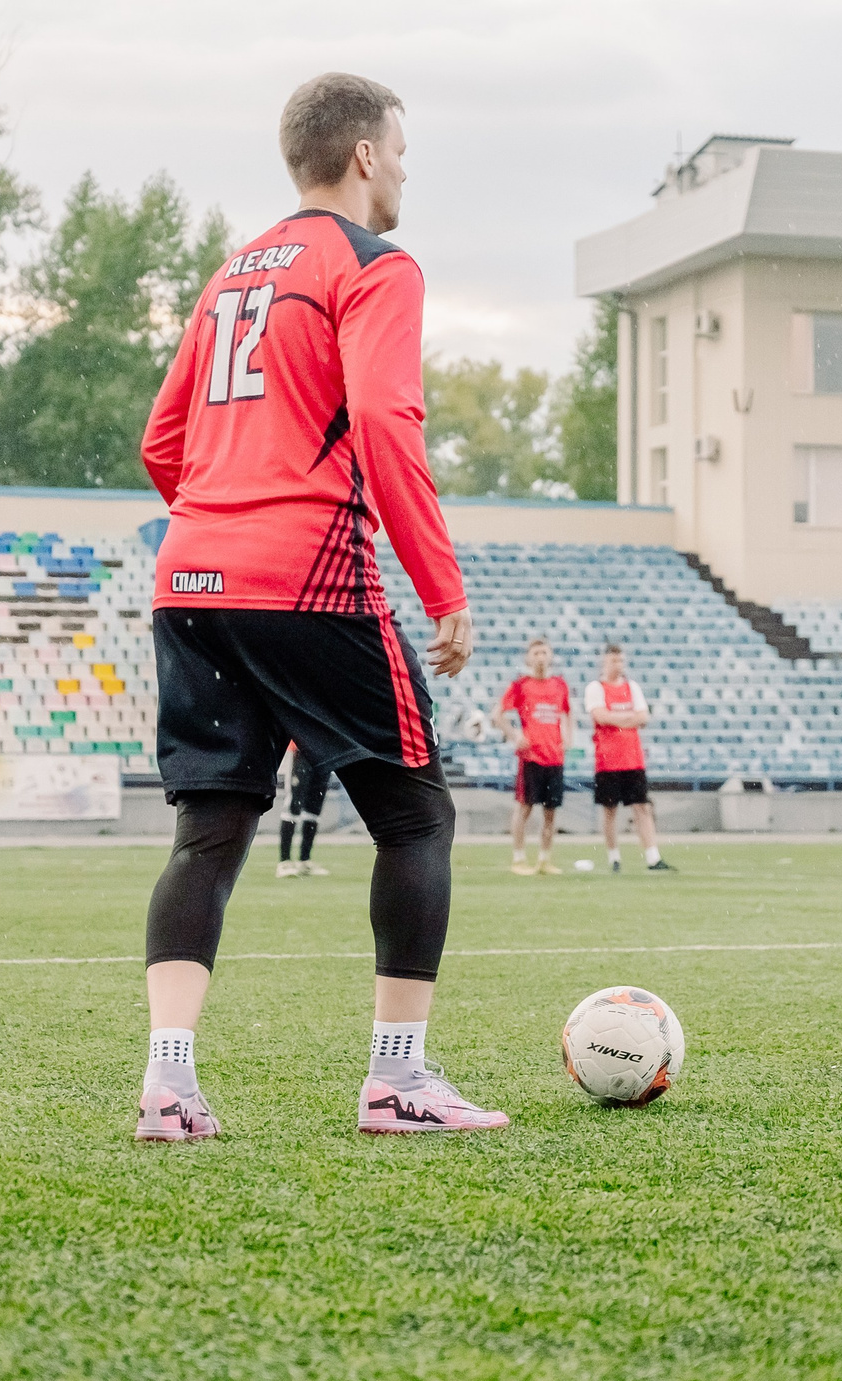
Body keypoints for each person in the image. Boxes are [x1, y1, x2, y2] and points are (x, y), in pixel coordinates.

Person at [134, 71, 504, 1142]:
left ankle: (169, 1083)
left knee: (209, 830)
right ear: (364, 158)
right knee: (415, 813)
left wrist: (218, 526)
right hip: (306, 576)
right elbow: (388, 422)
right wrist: (442, 586)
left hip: (190, 577)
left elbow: (162, 444)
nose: (404, 169)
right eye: (401, 148)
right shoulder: (375, 264)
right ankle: (397, 1082)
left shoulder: (229, 276)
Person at [585, 642, 671, 873]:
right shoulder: (596, 687)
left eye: (621, 660)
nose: (619, 664)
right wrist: (628, 718)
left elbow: (643, 717)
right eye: (614, 660)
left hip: (633, 758)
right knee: (609, 809)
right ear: (605, 661)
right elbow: (601, 716)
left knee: (641, 807)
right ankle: (614, 857)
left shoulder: (632, 687)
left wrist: (617, 718)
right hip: (608, 759)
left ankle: (653, 857)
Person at [497, 636, 573, 875]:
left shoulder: (560, 685)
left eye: (544, 653)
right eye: (536, 653)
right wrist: (514, 735)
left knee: (551, 812)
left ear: (551, 657)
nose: (541, 657)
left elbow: (568, 713)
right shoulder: (521, 686)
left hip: (554, 757)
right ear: (529, 658)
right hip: (531, 757)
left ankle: (544, 859)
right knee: (524, 808)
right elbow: (498, 714)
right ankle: (518, 858)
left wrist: (568, 737)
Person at [276, 743, 337, 876]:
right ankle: (284, 861)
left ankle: (305, 860)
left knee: (314, 809)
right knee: (294, 805)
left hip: (324, 751)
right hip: (301, 749)